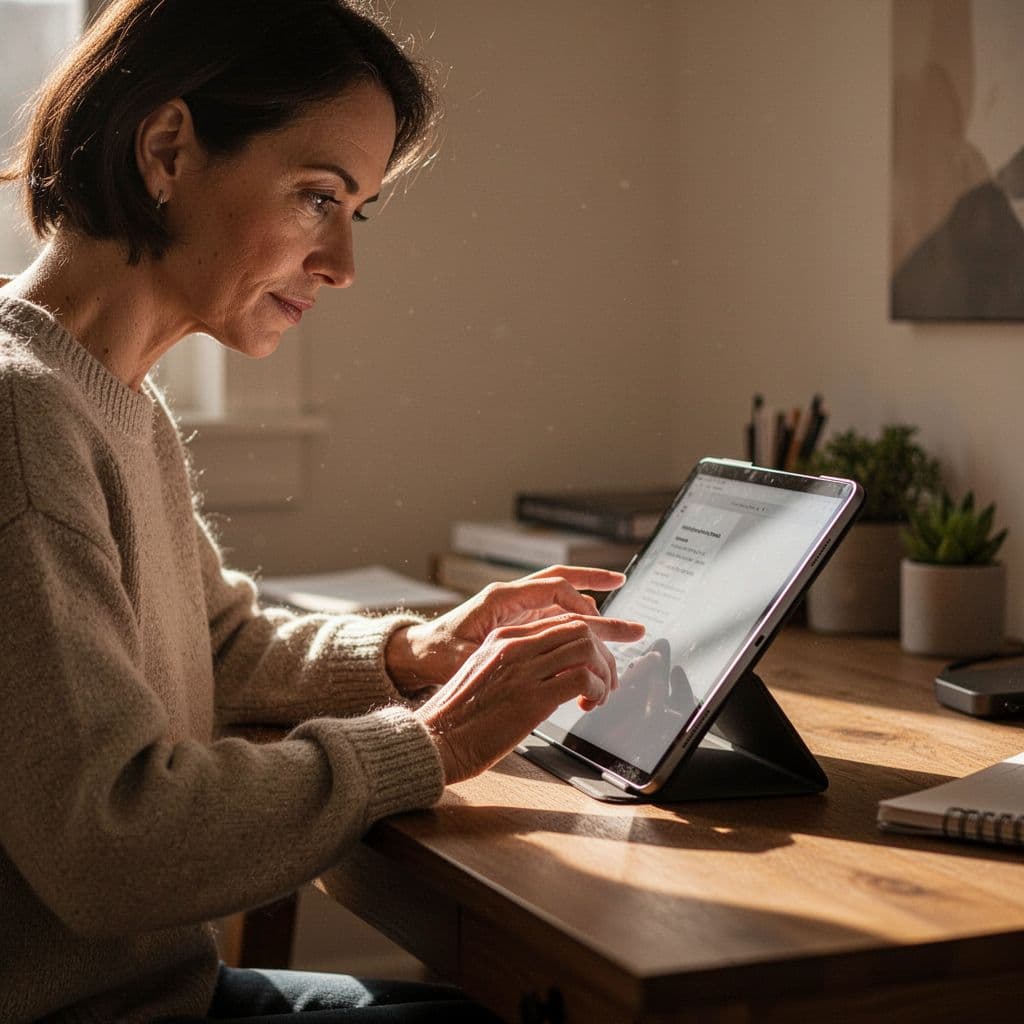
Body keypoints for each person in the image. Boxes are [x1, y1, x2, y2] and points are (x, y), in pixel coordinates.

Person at [0, 1, 645, 1020]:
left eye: (356, 211)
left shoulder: (105, 391)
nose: (342, 263)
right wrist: (433, 738)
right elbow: (109, 841)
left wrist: (412, 651)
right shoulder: (21, 417)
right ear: (168, 148)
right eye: (316, 196)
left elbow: (213, 645)